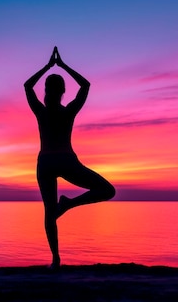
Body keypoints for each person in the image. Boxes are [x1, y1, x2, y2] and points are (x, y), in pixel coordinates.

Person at [24, 46, 115, 269]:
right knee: (107, 190)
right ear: (63, 91)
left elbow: (27, 86)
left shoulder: (41, 111)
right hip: (65, 160)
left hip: (45, 162)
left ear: (46, 90)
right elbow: (85, 86)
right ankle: (68, 205)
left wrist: (48, 66)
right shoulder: (68, 111)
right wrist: (62, 65)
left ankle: (55, 259)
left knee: (49, 212)